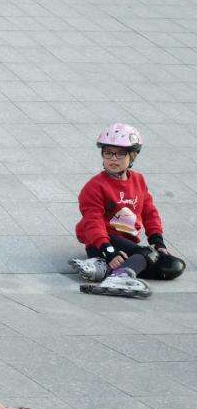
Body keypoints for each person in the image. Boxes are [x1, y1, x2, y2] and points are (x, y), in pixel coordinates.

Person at [69, 123, 186, 298]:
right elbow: (93, 221)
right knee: (146, 254)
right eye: (108, 153)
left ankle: (102, 269)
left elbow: (150, 212)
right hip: (102, 242)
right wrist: (109, 251)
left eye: (120, 153)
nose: (113, 159)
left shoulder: (138, 180)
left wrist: (158, 243)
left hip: (126, 244)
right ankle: (119, 276)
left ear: (133, 156)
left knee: (173, 266)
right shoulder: (95, 186)